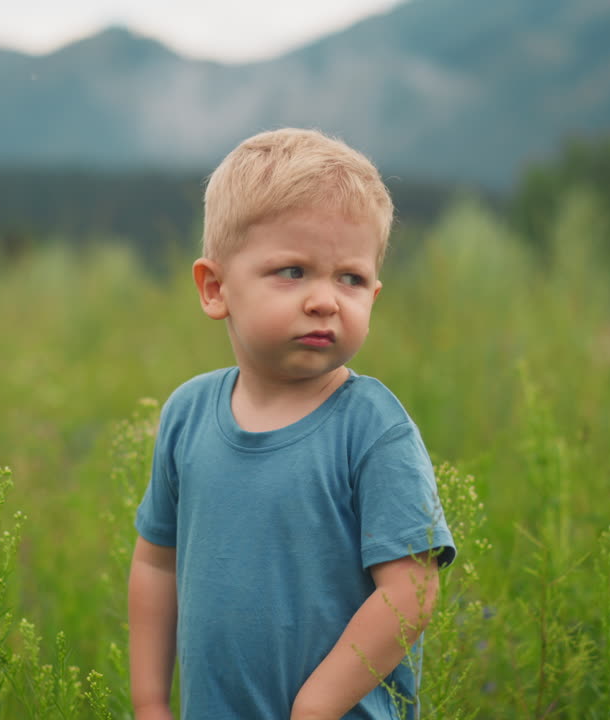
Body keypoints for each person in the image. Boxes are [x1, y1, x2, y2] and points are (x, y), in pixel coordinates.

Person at [128, 128, 457, 720]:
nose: (326, 300)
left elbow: (413, 590)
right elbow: (156, 562)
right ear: (215, 288)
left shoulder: (372, 429)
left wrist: (317, 705)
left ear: (373, 295)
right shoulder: (188, 415)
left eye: (350, 279)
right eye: (293, 272)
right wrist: (151, 701)